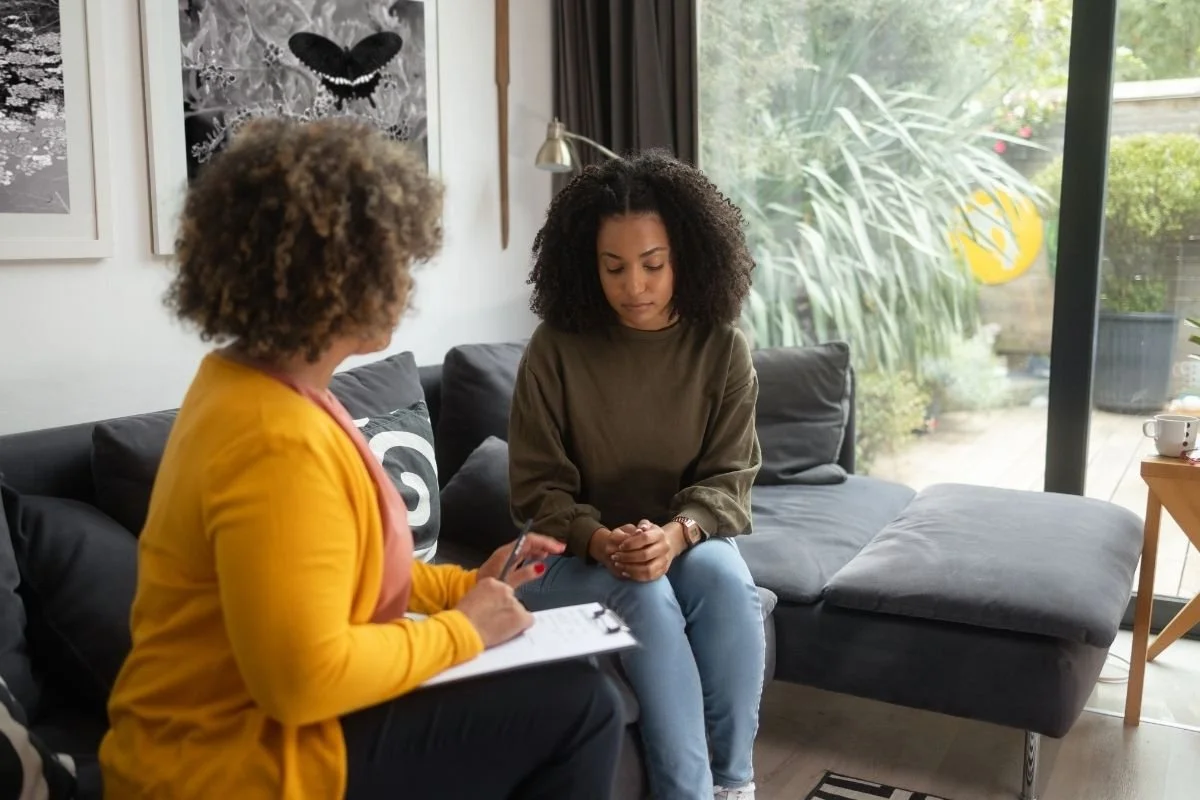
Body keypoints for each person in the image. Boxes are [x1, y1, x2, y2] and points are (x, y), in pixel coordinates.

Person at [98, 117, 624, 800]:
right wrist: (465, 632)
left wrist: (463, 588)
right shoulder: (275, 438)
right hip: (230, 766)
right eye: (394, 263)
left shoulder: (259, 385)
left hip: (255, 735)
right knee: (581, 706)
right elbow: (301, 680)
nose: (407, 288)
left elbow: (338, 573)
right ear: (331, 277)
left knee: (571, 693)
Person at [509, 151, 766, 800]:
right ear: (585, 264)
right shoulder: (555, 349)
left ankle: (735, 784)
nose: (634, 287)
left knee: (725, 581)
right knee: (644, 596)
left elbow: (731, 477)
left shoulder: (721, 347)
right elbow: (537, 493)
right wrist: (602, 541)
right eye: (613, 267)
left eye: (653, 265)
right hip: (570, 553)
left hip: (679, 541)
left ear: (687, 256)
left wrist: (676, 535)